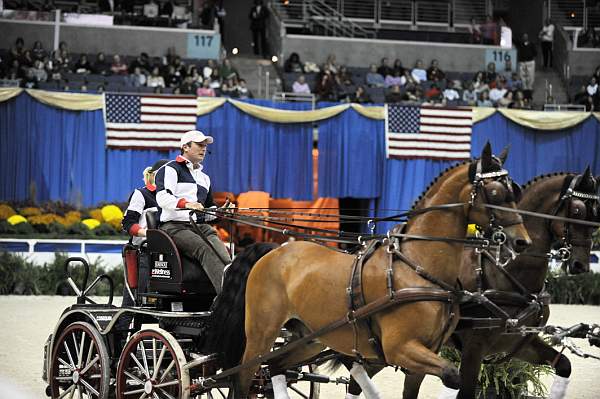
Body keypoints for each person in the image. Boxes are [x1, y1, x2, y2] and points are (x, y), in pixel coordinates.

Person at [155, 130, 233, 294]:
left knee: (226, 257)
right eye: (199, 145)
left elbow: (208, 210)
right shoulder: (170, 169)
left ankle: (234, 294)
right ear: (185, 147)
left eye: (205, 146)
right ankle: (227, 299)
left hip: (200, 226)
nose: (204, 149)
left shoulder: (205, 178)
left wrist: (221, 212)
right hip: (173, 227)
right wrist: (186, 204)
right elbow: (162, 198)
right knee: (205, 249)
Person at [121, 159, 169, 308]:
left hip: (166, 252)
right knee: (133, 300)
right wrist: (149, 234)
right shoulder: (141, 194)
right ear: (155, 176)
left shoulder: (171, 198)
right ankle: (123, 325)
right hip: (144, 252)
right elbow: (128, 224)